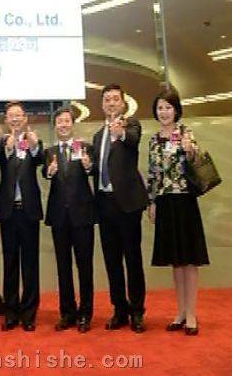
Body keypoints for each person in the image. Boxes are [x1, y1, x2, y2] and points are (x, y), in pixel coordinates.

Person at [147, 84, 209, 336]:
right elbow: (153, 174)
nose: (164, 112)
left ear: (176, 110)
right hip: (165, 202)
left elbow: (196, 159)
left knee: (189, 260)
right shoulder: (153, 140)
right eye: (160, 108)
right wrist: (151, 202)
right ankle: (180, 311)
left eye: (168, 107)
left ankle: (192, 313)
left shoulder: (185, 132)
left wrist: (189, 149)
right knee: (175, 261)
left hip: (185, 201)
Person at [92, 83, 148, 333]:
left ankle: (137, 311)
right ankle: (119, 309)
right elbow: (97, 167)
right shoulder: (97, 136)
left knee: (133, 259)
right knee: (112, 260)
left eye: (115, 99)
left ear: (123, 103)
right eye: (107, 100)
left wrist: (120, 133)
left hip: (127, 205)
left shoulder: (131, 125)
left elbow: (133, 140)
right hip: (104, 204)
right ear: (102, 104)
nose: (111, 103)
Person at [43, 106, 95, 333]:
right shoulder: (50, 152)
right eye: (59, 122)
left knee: (85, 267)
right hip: (59, 218)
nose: (63, 125)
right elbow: (45, 173)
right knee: (63, 268)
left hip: (82, 216)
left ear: (73, 124)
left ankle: (85, 313)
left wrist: (88, 166)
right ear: (55, 126)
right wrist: (49, 171)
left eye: (67, 121)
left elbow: (92, 170)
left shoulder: (84, 148)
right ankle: (67, 313)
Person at [0, 101, 44, 332]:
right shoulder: (3, 142)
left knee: (30, 263)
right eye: (11, 116)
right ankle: (11, 312)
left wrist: (33, 146)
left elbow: (40, 158)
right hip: (8, 211)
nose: (15, 119)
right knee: (10, 262)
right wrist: (6, 147)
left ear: (25, 119)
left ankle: (29, 313)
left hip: (29, 210)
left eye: (18, 115)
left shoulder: (32, 140)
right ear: (6, 120)